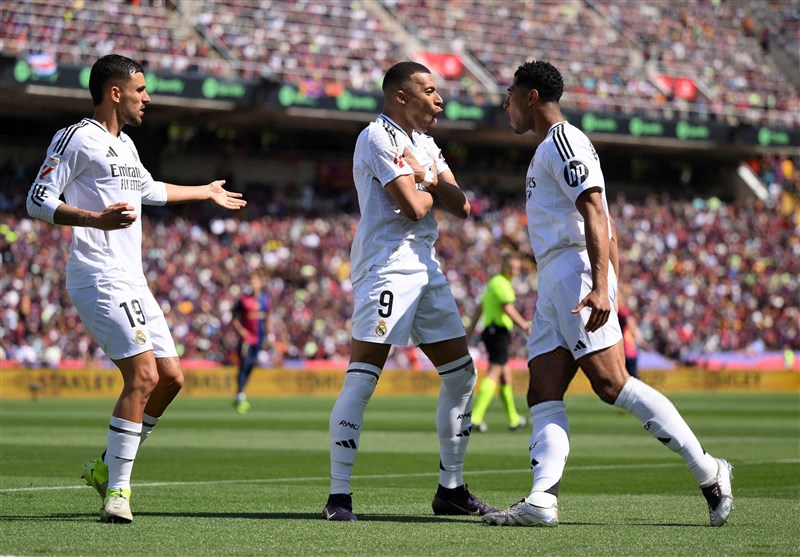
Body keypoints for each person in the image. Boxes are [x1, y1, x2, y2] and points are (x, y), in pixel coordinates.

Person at [482, 61, 733, 528]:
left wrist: (602, 285)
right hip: (555, 278)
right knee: (543, 390)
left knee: (612, 384)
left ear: (531, 97)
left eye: (510, 95)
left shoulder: (563, 141)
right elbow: (602, 218)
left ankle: (709, 470)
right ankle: (542, 500)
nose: (505, 104)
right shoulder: (545, 149)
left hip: (576, 271)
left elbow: (596, 210)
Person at [26, 54, 246, 523]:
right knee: (143, 376)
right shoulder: (76, 137)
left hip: (133, 278)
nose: (147, 98)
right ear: (115, 92)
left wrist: (205, 191)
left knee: (171, 379)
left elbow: (150, 191)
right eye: (141, 90)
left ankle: (107, 465)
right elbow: (37, 199)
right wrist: (94, 220)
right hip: (98, 274)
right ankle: (117, 493)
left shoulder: (126, 145)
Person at [322, 61, 496, 521]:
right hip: (386, 268)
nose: (439, 100)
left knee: (461, 375)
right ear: (402, 96)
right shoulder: (377, 136)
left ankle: (451, 490)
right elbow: (416, 207)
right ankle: (338, 497)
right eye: (430, 91)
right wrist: (429, 182)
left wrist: (427, 175)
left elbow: (463, 206)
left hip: (425, 266)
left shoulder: (425, 144)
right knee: (363, 377)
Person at [465, 253, 531, 432]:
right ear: (504, 267)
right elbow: (507, 307)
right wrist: (524, 325)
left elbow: (480, 308)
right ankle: (475, 417)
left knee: (505, 375)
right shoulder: (501, 284)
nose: (515, 271)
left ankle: (513, 419)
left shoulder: (493, 283)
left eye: (517, 268)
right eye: (512, 268)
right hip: (498, 332)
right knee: (494, 371)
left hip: (493, 332)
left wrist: (469, 332)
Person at [231, 273, 271, 413]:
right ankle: (240, 394)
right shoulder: (243, 300)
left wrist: (268, 335)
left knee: (252, 364)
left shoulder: (265, 300)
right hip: (247, 339)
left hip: (258, 339)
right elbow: (234, 319)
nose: (253, 283)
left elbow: (267, 318)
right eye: (251, 281)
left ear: (260, 283)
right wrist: (242, 332)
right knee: (244, 363)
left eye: (255, 280)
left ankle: (240, 392)